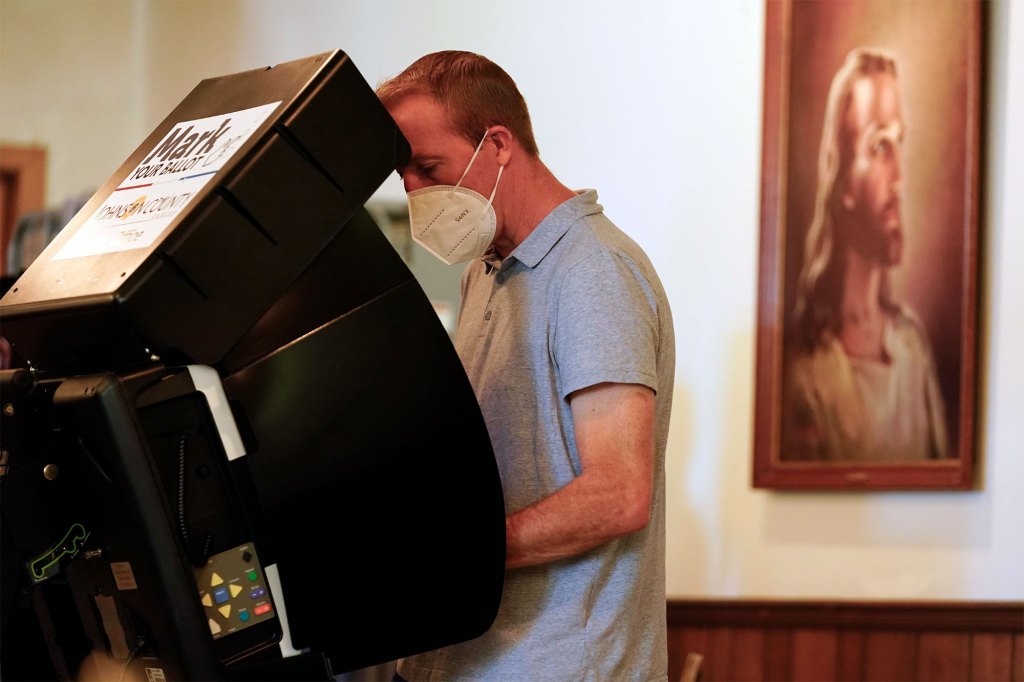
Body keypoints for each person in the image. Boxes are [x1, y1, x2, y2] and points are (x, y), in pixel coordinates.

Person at [376, 51, 675, 680]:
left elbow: (618, 495)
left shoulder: (593, 270)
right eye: (405, 176)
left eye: (429, 168)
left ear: (499, 144)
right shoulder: (487, 272)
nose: (415, 193)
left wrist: (455, 556)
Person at [784, 47, 948, 462]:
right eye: (879, 148)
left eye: (899, 144)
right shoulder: (809, 371)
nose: (900, 179)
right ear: (843, 182)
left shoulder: (911, 349)